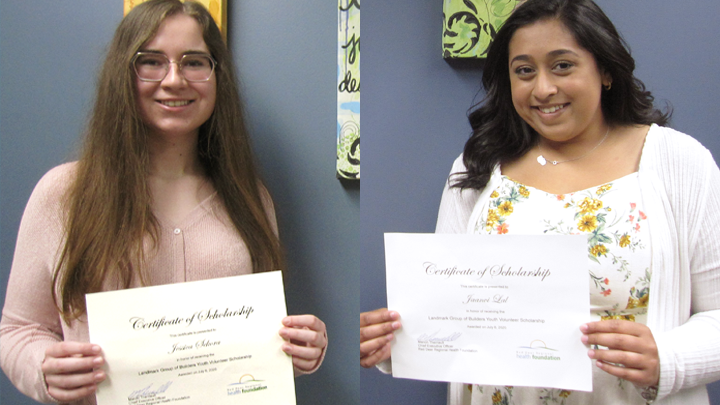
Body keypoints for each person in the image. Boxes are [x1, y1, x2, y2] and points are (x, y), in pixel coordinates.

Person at [361, 0, 720, 403]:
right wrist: (398, 343)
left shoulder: (678, 162)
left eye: (562, 65)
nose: (543, 88)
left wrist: (669, 359)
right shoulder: (478, 167)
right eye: (524, 71)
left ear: (604, 70)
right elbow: (451, 312)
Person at [0, 1, 327, 404]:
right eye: (151, 62)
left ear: (216, 75)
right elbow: (16, 330)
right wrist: (42, 368)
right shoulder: (63, 194)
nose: (174, 80)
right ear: (123, 72)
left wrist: (301, 347)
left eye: (194, 62)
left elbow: (261, 342)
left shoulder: (249, 197)